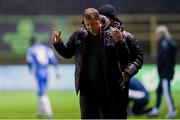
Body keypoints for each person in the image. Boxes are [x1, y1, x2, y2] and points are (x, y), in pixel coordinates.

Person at [52, 8, 143, 119]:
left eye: (93, 24)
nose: (90, 27)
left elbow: (125, 58)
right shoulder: (79, 35)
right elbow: (67, 53)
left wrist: (120, 42)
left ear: (99, 20)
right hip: (87, 90)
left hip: (109, 89)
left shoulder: (113, 34)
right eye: (88, 24)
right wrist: (58, 43)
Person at [98, 4, 144, 118]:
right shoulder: (94, 35)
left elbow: (139, 58)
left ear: (112, 19)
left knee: (119, 114)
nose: (100, 21)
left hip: (120, 85)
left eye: (103, 18)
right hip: (99, 85)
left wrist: (127, 73)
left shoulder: (126, 36)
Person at [26, 37, 59, 119]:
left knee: (42, 93)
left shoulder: (31, 50)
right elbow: (53, 59)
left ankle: (49, 113)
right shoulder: (46, 48)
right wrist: (57, 71)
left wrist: (30, 69)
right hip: (46, 72)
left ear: (31, 43)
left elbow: (30, 61)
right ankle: (40, 112)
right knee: (41, 92)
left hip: (39, 72)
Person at [148, 25, 176, 118]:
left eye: (157, 33)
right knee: (159, 91)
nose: (156, 35)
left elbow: (163, 59)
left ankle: (172, 111)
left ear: (160, 33)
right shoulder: (169, 42)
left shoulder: (163, 43)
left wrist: (160, 67)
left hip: (165, 73)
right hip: (167, 71)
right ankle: (156, 109)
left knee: (166, 92)